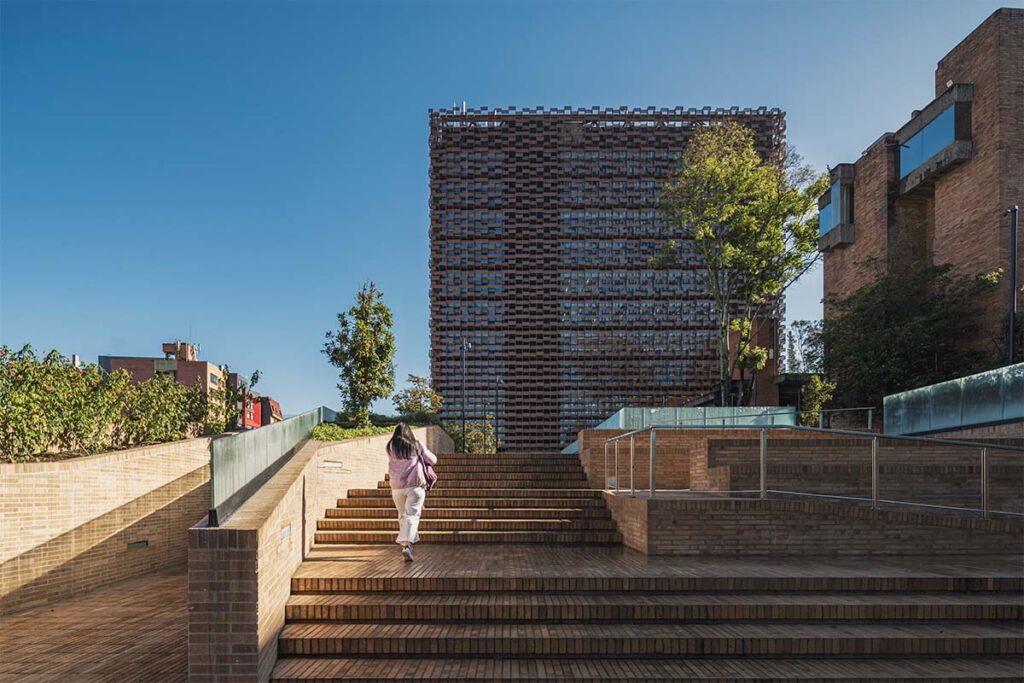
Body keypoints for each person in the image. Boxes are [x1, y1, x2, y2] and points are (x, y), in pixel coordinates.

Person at [386, 423, 437, 561]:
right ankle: (407, 546)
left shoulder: (390, 446)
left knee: (402, 515)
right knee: (412, 516)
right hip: (414, 486)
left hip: (396, 487)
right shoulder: (416, 445)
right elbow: (433, 460)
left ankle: (406, 546)